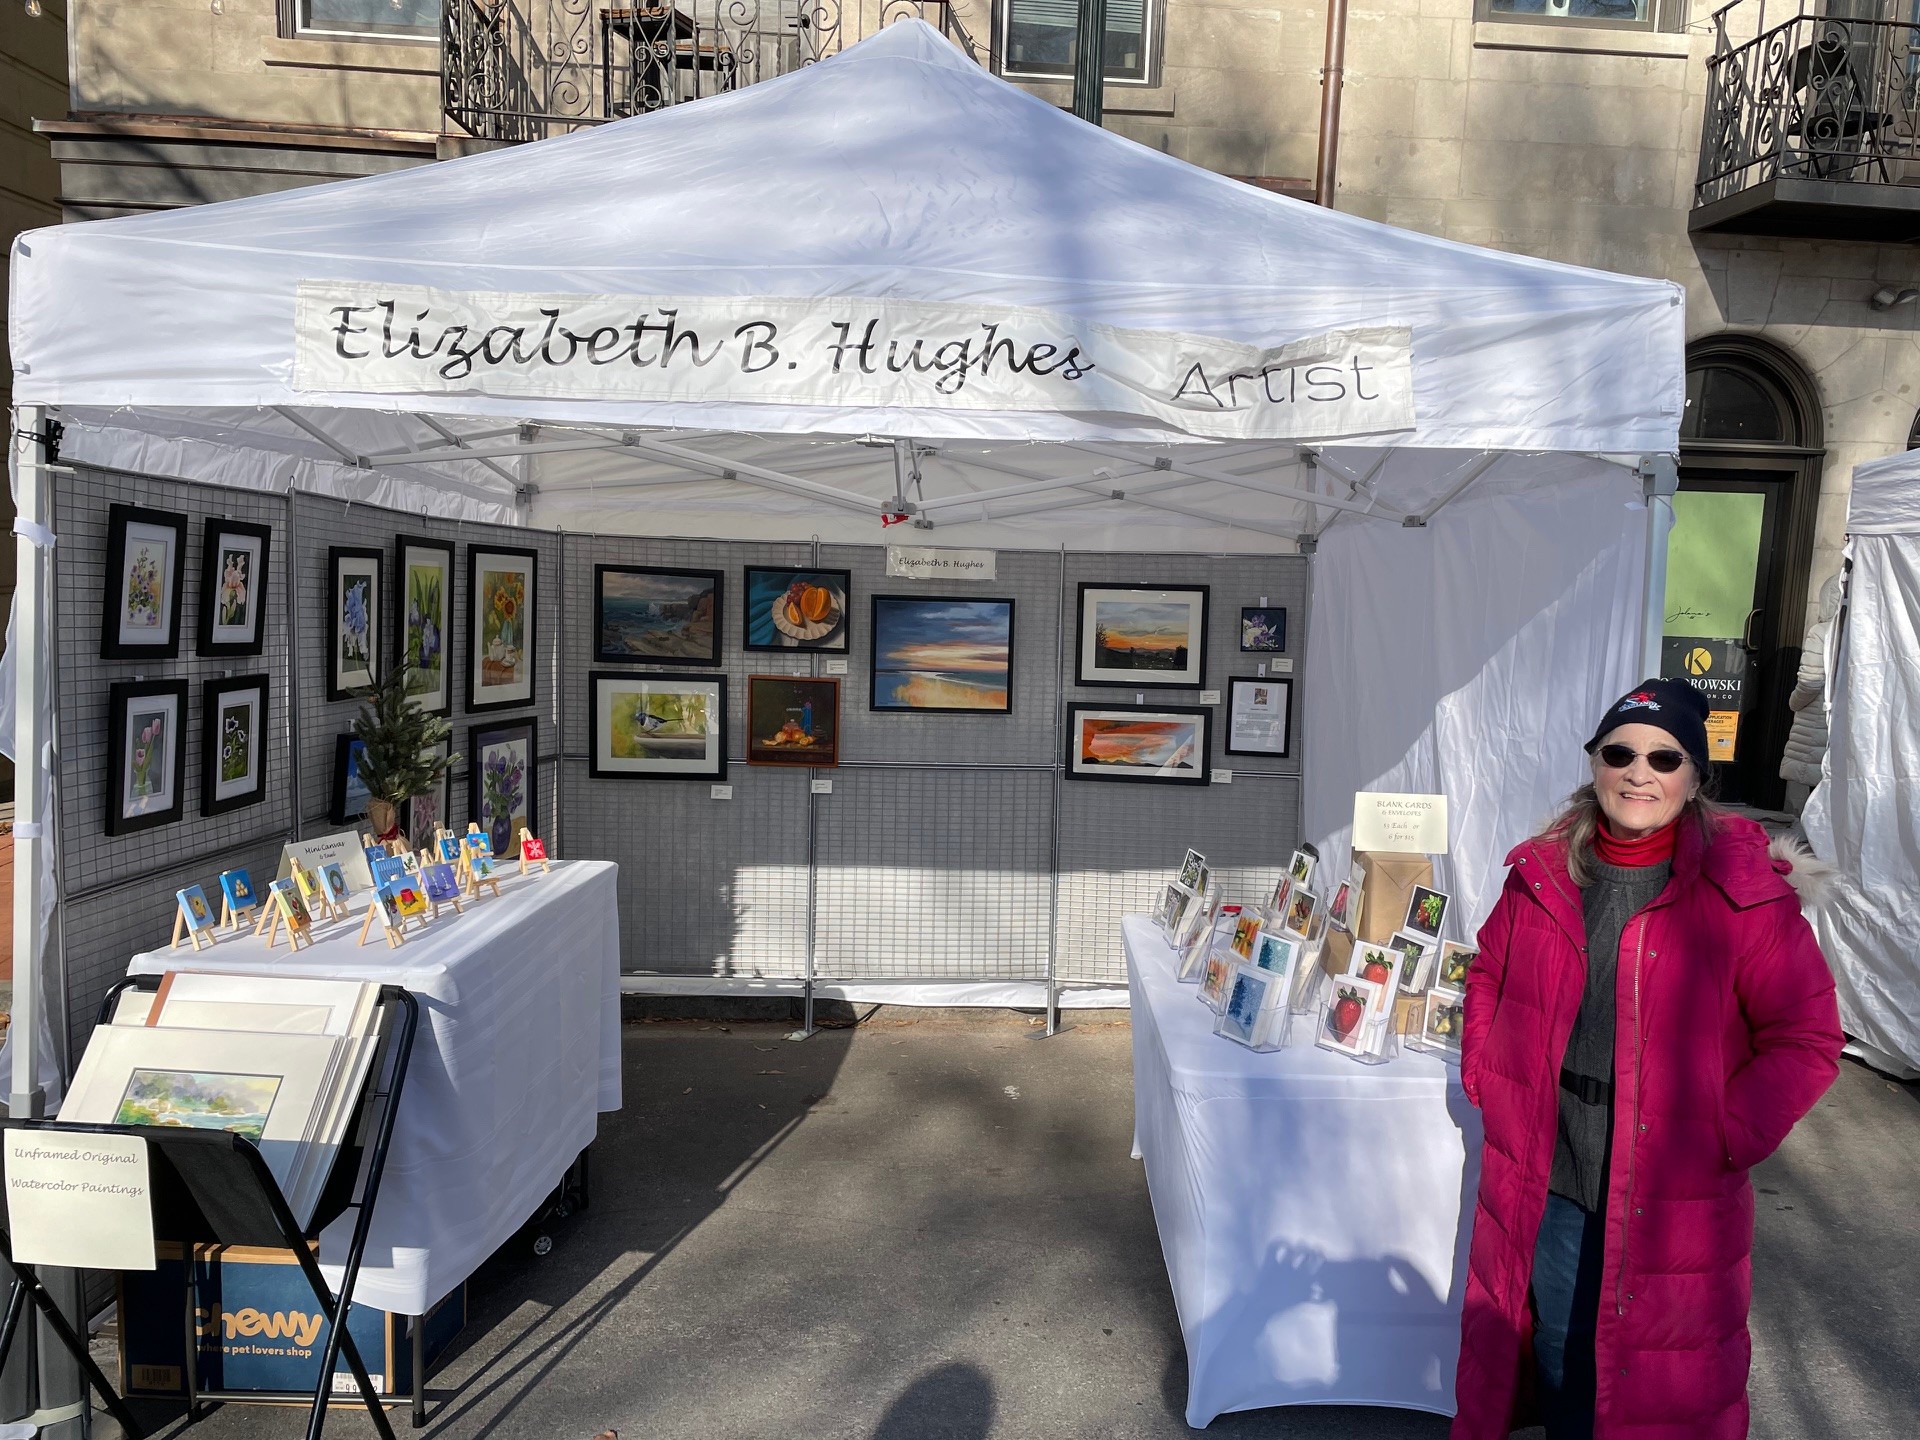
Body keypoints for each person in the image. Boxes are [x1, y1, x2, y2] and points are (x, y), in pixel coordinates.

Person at [1450, 677, 1843, 1440]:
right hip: (1555, 1171)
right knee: (1562, 1350)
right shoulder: (1542, 875)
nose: (1640, 773)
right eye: (1620, 752)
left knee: (1659, 1382)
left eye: (1665, 758)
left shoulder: (1744, 892)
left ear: (1696, 778)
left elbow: (1806, 1038)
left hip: (1671, 1188)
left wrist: (1726, 1134)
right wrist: (1484, 1076)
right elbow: (1488, 972)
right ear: (1594, 764)